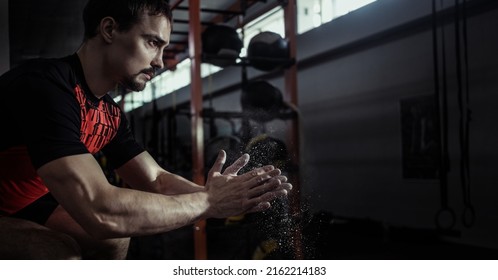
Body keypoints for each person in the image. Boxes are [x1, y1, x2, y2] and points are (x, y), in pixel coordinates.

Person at [0, 0, 292, 259]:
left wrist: (223, 195)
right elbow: (99, 210)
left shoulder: (110, 115)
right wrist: (207, 202)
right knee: (57, 254)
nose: (160, 62)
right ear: (109, 29)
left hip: (21, 202)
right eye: (152, 43)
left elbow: (157, 180)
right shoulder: (45, 87)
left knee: (113, 240)